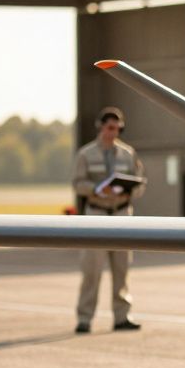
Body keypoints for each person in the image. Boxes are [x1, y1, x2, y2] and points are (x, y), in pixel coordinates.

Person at [72, 106, 146, 334]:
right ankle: (85, 318)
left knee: (122, 269)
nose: (113, 133)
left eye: (117, 128)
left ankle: (122, 316)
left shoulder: (128, 154)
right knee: (91, 270)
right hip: (97, 214)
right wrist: (96, 189)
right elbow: (77, 183)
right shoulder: (86, 154)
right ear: (101, 127)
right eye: (109, 128)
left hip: (122, 214)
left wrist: (128, 192)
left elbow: (140, 183)